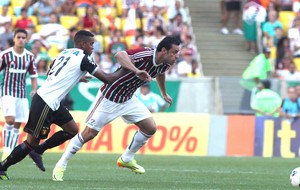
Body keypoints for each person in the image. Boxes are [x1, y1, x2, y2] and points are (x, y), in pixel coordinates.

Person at [52, 35, 180, 181]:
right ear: (163, 50)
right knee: (89, 134)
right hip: (109, 97)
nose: (177, 56)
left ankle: (126, 158)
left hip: (128, 99)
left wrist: (163, 93)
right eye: (175, 52)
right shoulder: (145, 54)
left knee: (150, 128)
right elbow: (119, 55)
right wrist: (136, 70)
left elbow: (160, 73)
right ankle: (61, 164)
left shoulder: (166, 63)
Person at [0, 30, 121, 180]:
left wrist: (74, 78)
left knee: (72, 130)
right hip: (45, 101)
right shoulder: (84, 59)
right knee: (31, 143)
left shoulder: (66, 52)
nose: (93, 47)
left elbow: (52, 68)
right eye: (91, 44)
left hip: (54, 102)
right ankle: (2, 167)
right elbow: (107, 78)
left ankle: (39, 151)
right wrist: (127, 70)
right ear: (82, 44)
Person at [0, 29, 38, 161]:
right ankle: (6, 150)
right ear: (14, 39)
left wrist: (34, 89)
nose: (21, 39)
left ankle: (10, 151)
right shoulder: (5, 55)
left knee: (17, 123)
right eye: (19, 37)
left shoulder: (29, 57)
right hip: (7, 91)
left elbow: (34, 75)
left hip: (21, 94)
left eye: (23, 37)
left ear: (26, 39)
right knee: (10, 120)